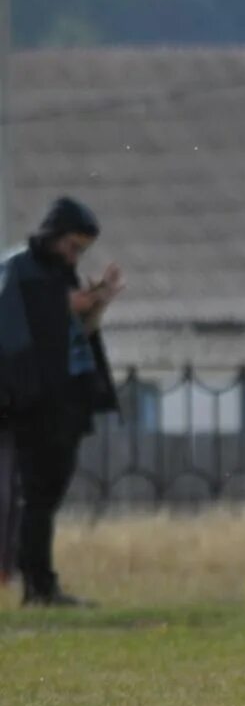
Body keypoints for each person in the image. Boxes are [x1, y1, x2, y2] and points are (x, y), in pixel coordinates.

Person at [1, 197, 124, 607]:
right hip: (32, 402)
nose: (74, 255)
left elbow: (78, 331)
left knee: (48, 494)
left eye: (80, 250)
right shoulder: (19, 269)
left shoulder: (60, 274)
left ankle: (41, 582)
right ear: (53, 234)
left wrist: (96, 304)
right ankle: (38, 587)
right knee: (36, 496)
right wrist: (64, 306)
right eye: (71, 246)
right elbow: (17, 330)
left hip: (66, 401)